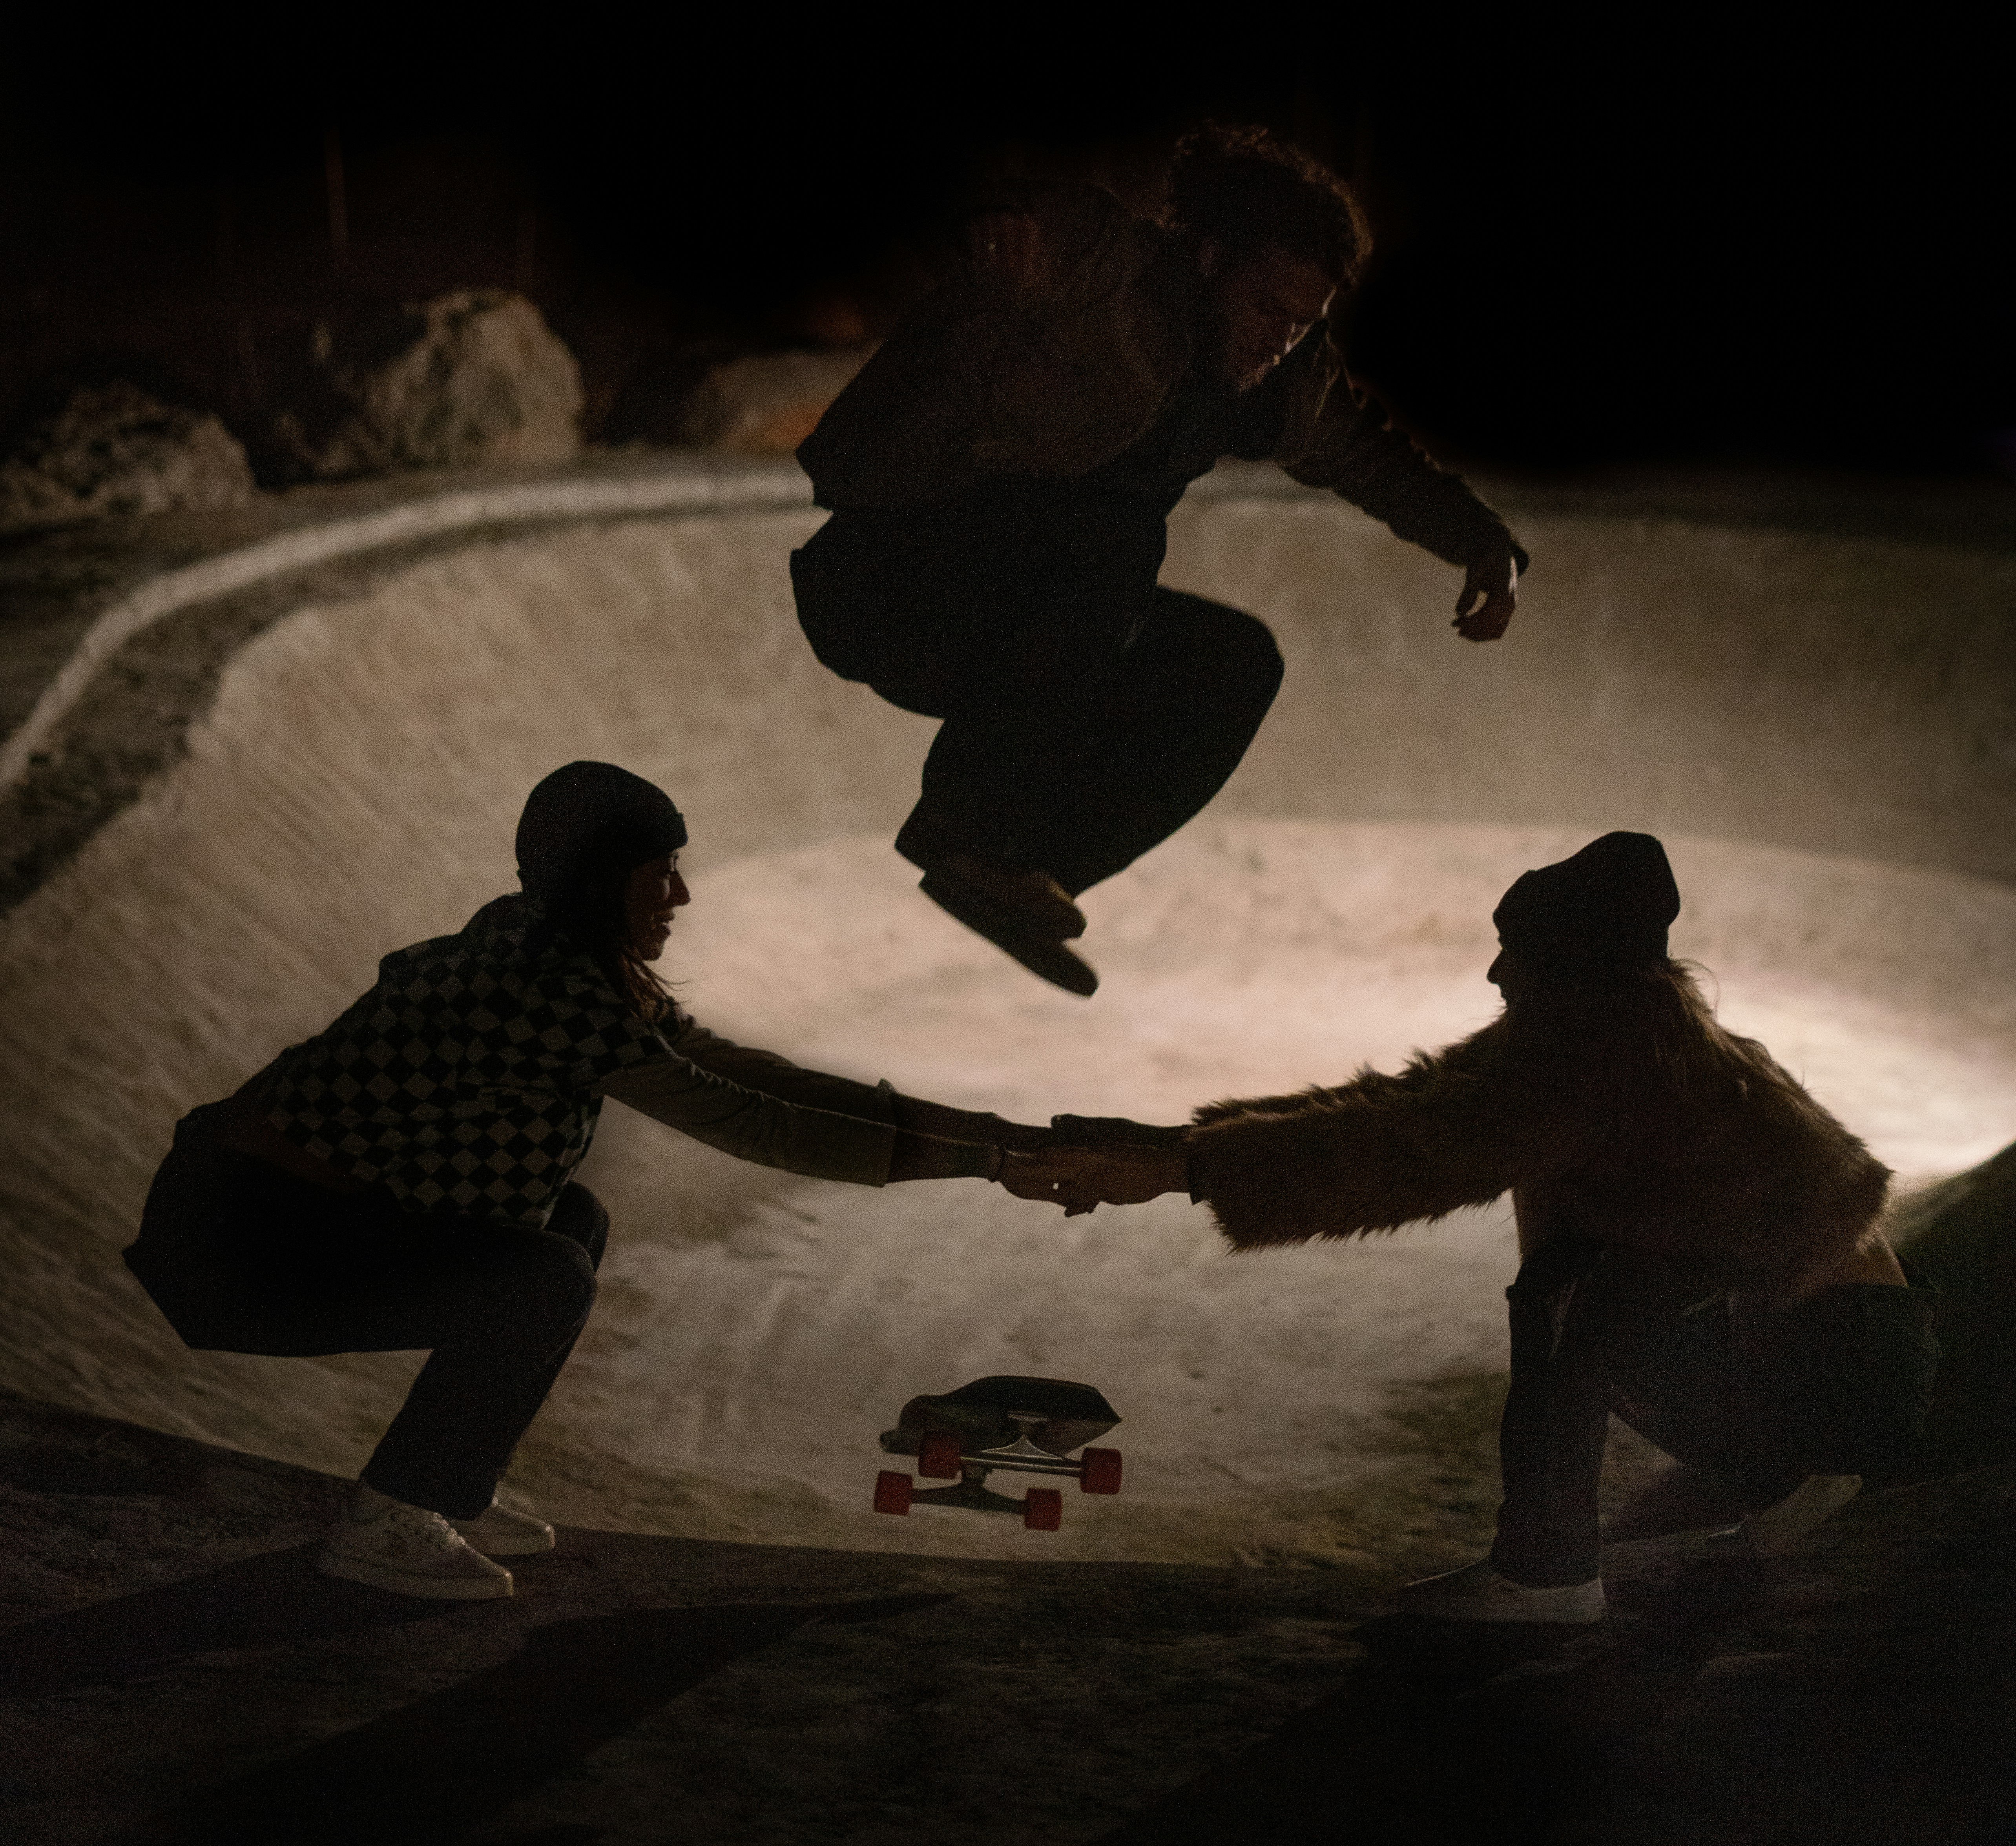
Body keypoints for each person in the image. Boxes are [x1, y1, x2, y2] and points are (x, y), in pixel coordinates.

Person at [124, 761, 1085, 1600]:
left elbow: (755, 1075)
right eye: (659, 871)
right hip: (242, 1246)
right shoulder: (546, 991)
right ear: (600, 881)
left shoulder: (551, 946)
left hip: (283, 1220)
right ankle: (389, 1515)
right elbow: (756, 1125)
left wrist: (994, 1136)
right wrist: (985, 1163)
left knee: (571, 1222)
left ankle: (449, 1483)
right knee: (544, 1278)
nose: (681, 894)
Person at [1032, 833, 1940, 1620]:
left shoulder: (1604, 1057)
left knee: (1573, 1277)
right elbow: (1400, 1097)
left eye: (1515, 953)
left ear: (1569, 967)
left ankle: (1548, 1574)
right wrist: (1164, 1148)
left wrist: (1180, 1171)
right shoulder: (1634, 1028)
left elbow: (1412, 1147)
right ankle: (1775, 1481)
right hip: (1821, 1360)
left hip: (1837, 1378)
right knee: (1592, 1243)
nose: (1496, 973)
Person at [790, 122, 1527, 995]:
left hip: (1018, 631)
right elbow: (1030, 218)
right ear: (1210, 257)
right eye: (1266, 309)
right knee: (1112, 532)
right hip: (889, 577)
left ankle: (1023, 870)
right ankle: (973, 830)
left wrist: (1482, 542)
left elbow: (1366, 457)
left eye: (1303, 324)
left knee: (1232, 662)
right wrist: (995, 219)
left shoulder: (1288, 378)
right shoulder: (1106, 267)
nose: (1278, 343)